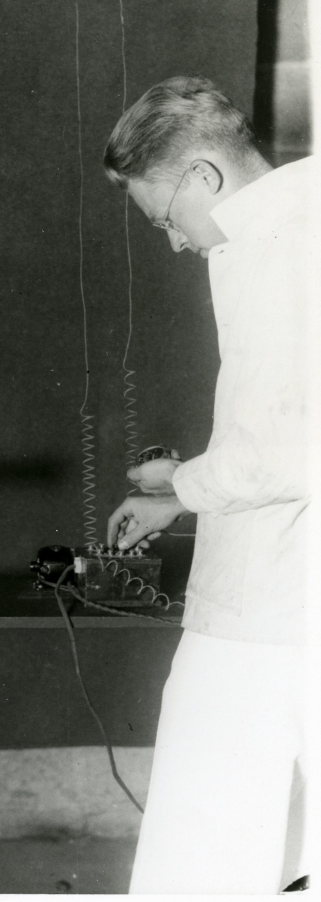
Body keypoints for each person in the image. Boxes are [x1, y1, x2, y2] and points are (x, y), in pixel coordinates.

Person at [104, 76, 313, 894]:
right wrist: (183, 482)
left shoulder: (279, 248)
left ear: (201, 174)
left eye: (163, 218)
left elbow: (283, 455)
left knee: (198, 861)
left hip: (271, 612)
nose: (172, 242)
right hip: (287, 596)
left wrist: (179, 490)